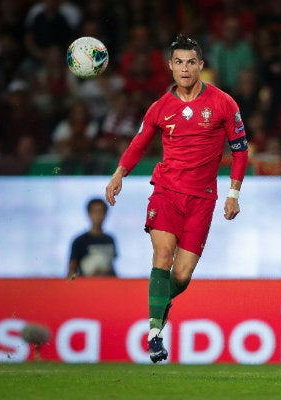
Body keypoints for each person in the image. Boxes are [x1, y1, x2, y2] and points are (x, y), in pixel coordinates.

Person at [104, 34, 249, 363]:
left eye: (191, 62)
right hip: (166, 192)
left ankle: (158, 304)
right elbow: (139, 143)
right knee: (163, 255)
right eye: (178, 62)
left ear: (201, 65)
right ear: (170, 67)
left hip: (203, 199)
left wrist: (234, 193)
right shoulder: (160, 108)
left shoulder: (224, 104)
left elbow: (241, 150)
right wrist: (119, 173)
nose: (185, 69)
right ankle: (155, 333)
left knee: (182, 275)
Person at [67, 198, 117, 279]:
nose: (98, 215)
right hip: (86, 287)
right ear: (89, 214)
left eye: (101, 211)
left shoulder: (110, 239)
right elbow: (72, 271)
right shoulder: (79, 241)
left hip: (107, 286)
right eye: (95, 211)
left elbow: (112, 266)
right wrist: (75, 284)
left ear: (106, 214)